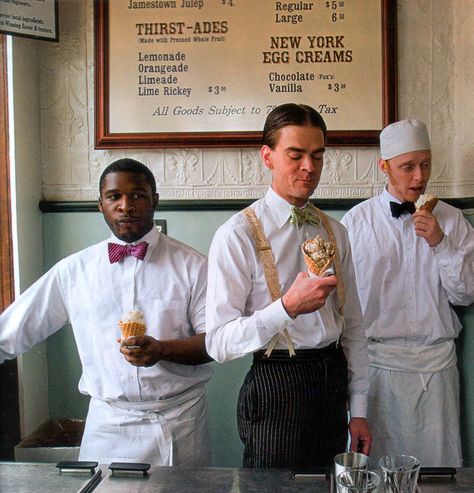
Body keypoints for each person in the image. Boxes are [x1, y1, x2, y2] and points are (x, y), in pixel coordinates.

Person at [0, 158, 213, 466]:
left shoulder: (194, 266)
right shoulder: (74, 272)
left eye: (138, 195)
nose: (126, 205)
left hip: (178, 422)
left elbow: (214, 343)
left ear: (155, 200)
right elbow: (14, 330)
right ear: (100, 204)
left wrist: (162, 350)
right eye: (114, 197)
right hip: (108, 425)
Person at [205, 103, 371, 468]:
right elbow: (218, 343)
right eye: (295, 155)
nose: (309, 167)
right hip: (276, 384)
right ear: (268, 156)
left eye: (317, 156)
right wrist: (287, 307)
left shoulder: (336, 231)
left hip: (332, 381)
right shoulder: (237, 235)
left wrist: (358, 410)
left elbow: (354, 327)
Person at [341, 119, 474, 467]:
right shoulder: (355, 224)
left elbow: (465, 295)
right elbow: (343, 306)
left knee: (438, 474)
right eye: (408, 167)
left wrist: (440, 244)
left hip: (437, 369)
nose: (419, 177)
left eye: (425, 164)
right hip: (377, 370)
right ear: (384, 166)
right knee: (376, 476)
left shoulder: (453, 220)